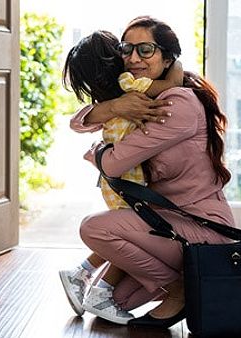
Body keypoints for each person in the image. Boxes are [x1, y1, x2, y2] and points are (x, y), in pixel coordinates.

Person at [72, 16, 236, 328]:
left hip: (200, 229)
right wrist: (116, 107)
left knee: (93, 228)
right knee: (114, 302)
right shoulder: (142, 96)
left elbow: (113, 164)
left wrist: (96, 151)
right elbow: (79, 121)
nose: (133, 58)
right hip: (163, 226)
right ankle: (181, 283)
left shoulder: (176, 104)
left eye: (145, 50)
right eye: (127, 49)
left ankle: (181, 289)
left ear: (167, 56)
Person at [58, 30, 183, 324]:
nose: (131, 55)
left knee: (125, 236)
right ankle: (100, 290)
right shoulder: (129, 86)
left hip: (118, 182)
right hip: (129, 183)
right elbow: (174, 82)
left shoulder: (116, 93)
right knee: (129, 237)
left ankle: (81, 274)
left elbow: (78, 122)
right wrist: (175, 60)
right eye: (124, 49)